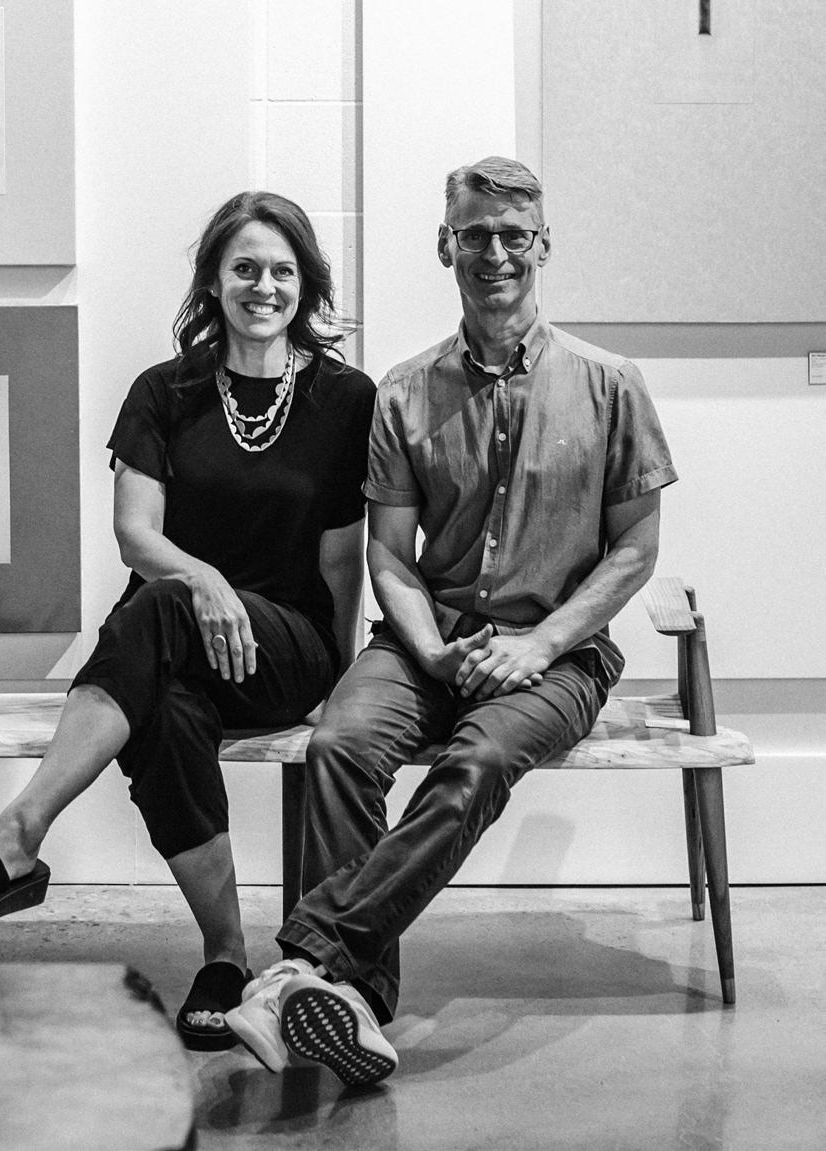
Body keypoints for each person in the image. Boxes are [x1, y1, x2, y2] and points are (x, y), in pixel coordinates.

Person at [222, 156, 679, 1086]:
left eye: (514, 236)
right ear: (445, 245)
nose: (494, 254)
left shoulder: (610, 382)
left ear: (543, 245)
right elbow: (389, 554)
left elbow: (634, 549)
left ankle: (308, 967)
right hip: (427, 638)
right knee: (341, 744)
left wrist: (539, 643)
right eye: (474, 235)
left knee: (474, 761)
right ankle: (353, 999)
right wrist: (431, 649)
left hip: (559, 653)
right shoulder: (403, 390)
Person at [0, 191, 376, 1052]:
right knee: (163, 712)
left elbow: (342, 562)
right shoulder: (165, 391)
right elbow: (136, 533)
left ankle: (19, 832)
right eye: (244, 268)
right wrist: (204, 580)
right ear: (214, 280)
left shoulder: (345, 398)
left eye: (281, 271)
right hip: (169, 648)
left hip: (285, 649)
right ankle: (226, 959)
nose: (263, 286)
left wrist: (341, 684)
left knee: (160, 603)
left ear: (305, 284)